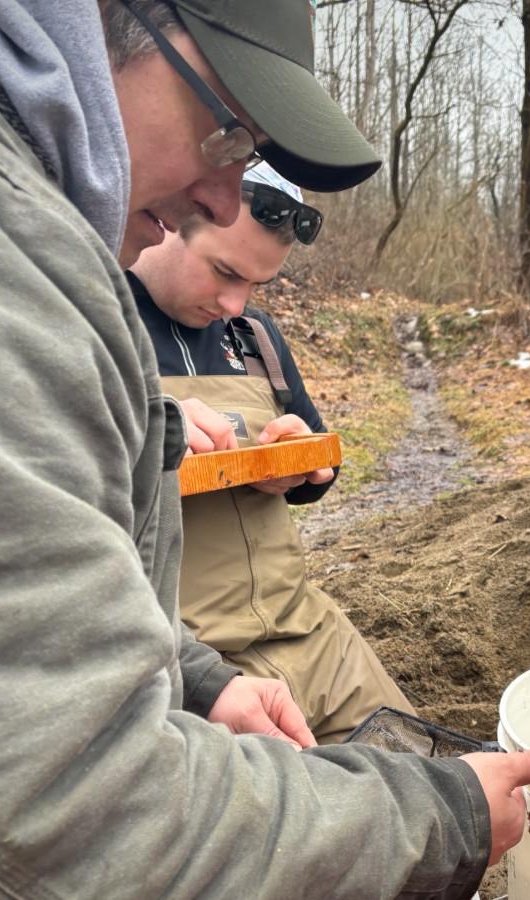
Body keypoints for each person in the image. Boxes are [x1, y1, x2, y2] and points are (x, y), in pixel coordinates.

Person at [0, 1, 530, 897]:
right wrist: (438, 821)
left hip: (274, 628)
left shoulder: (20, 240)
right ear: (101, 24)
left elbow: (38, 612)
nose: (221, 194)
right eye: (226, 132)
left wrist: (198, 682)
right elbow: (62, 826)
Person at [130, 162, 415, 744]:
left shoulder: (253, 339)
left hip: (308, 630)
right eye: (225, 272)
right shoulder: (98, 330)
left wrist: (299, 468)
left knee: (424, 773)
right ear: (166, 218)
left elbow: (318, 464)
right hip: (195, 662)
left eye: (256, 285)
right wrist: (150, 438)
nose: (236, 303)